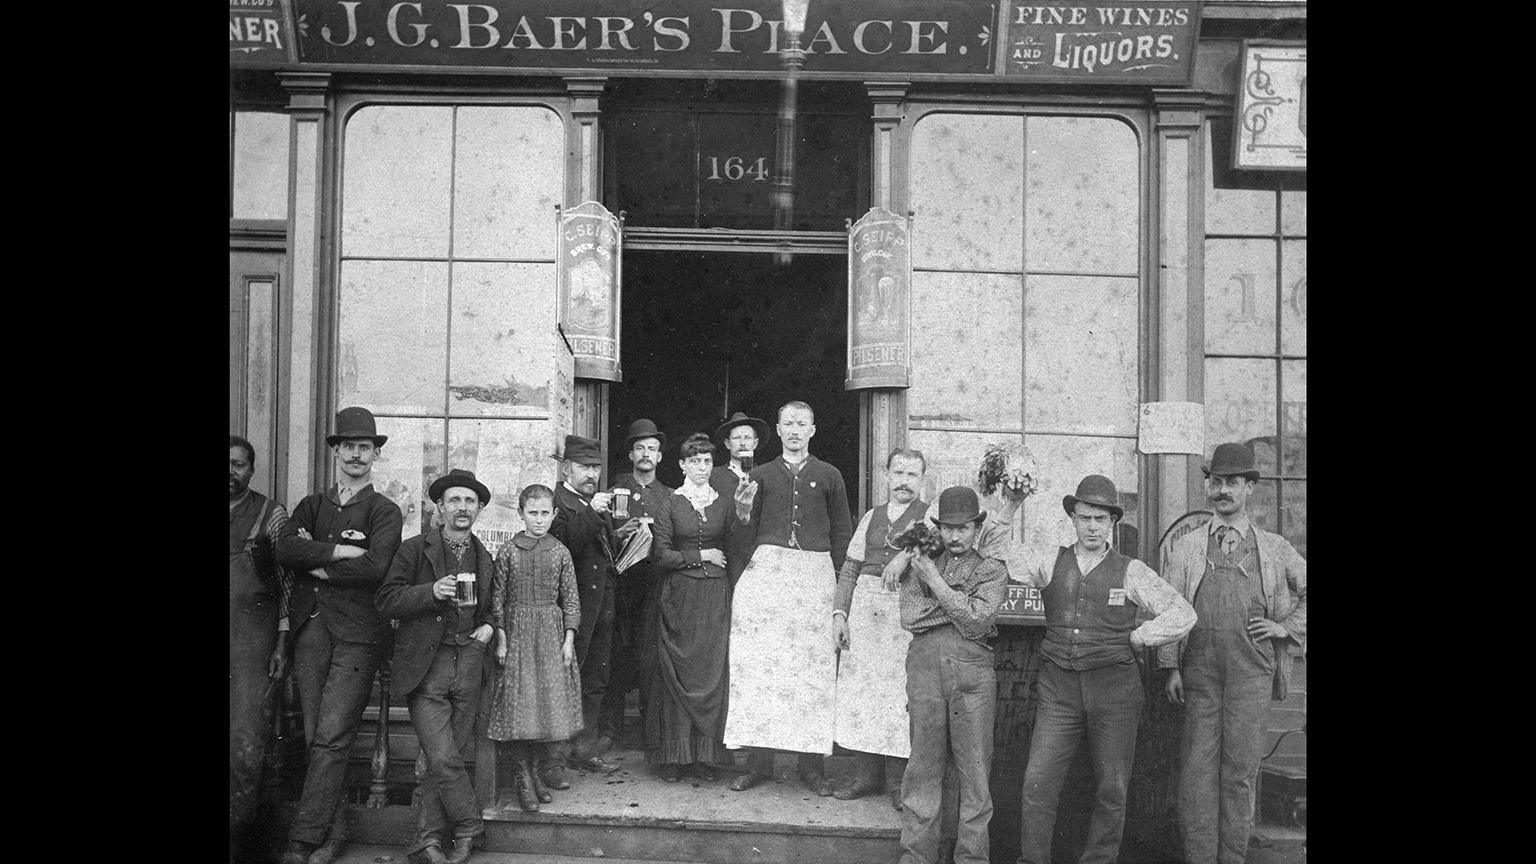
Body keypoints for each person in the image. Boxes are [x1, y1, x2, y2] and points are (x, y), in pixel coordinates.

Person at [983, 474, 1195, 864]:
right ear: (1073, 519)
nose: (1092, 527)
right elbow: (995, 549)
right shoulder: (1050, 560)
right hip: (1058, 690)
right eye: (1085, 518)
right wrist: (1010, 505)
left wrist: (1141, 637)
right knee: (1037, 782)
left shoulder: (1131, 570)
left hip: (1116, 692)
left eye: (1100, 519)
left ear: (1112, 522)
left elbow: (1183, 613)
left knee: (1112, 787)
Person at [1158, 442, 1307, 864]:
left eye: (1232, 483)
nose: (1222, 490)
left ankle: (1233, 859)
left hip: (1251, 673)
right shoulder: (1186, 547)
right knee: (1195, 775)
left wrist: (1285, 627)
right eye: (1216, 482)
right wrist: (1170, 666)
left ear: (1250, 489)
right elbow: (1171, 606)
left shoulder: (1274, 548)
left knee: (1240, 774)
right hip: (1199, 673)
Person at [282, 407, 405, 864]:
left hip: (357, 635)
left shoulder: (384, 510)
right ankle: (331, 832)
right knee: (318, 736)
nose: (356, 454)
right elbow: (286, 549)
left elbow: (377, 566)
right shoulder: (311, 506)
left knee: (332, 734)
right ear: (335, 451)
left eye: (365, 447)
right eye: (348, 446)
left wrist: (319, 569)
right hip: (312, 628)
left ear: (376, 455)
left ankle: (305, 839)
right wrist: (337, 550)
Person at [723, 400, 853, 795]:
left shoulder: (830, 475)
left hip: (813, 577)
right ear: (777, 430)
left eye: (802, 424)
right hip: (769, 576)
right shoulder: (760, 475)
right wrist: (743, 516)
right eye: (788, 424)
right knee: (764, 669)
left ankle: (810, 766)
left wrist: (840, 588)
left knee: (809, 671)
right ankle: (759, 763)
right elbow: (741, 536)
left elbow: (843, 534)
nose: (795, 430)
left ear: (813, 430)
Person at [374, 469, 497, 864]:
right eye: (455, 501)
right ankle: (468, 825)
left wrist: (488, 629)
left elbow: (493, 609)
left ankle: (426, 840)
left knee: (446, 758)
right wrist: (431, 591)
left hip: (469, 662)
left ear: (478, 509)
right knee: (442, 756)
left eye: (470, 502)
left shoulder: (485, 555)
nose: (462, 508)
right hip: (428, 665)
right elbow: (387, 599)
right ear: (440, 507)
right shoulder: (413, 550)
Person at [882, 486, 1009, 864]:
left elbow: (979, 619)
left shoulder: (991, 567)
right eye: (949, 528)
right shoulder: (919, 559)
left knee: (975, 775)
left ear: (977, 529)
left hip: (973, 677)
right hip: (923, 670)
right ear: (939, 528)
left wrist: (936, 583)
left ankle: (971, 859)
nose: (956, 536)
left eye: (965, 528)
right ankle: (916, 857)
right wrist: (959, 602)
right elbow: (910, 616)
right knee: (922, 769)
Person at [829, 447, 930, 809]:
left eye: (912, 475)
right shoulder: (872, 516)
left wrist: (907, 554)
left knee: (897, 696)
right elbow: (851, 568)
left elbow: (933, 550)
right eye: (898, 473)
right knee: (863, 694)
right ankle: (866, 776)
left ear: (922, 480)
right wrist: (840, 613)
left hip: (904, 615)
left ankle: (899, 783)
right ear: (886, 475)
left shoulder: (929, 516)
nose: (904, 481)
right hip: (866, 612)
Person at [645, 432, 744, 782]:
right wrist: (701, 555)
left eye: (706, 461)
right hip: (680, 596)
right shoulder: (670, 503)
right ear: (682, 465)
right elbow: (661, 555)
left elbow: (734, 547)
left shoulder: (724, 502)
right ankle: (676, 758)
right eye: (694, 461)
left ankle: (705, 757)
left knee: (711, 674)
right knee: (678, 673)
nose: (702, 468)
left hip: (715, 596)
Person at [547, 434, 641, 783]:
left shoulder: (588, 504)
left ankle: (584, 750)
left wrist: (622, 537)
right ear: (566, 468)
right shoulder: (557, 501)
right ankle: (555, 758)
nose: (591, 474)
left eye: (596, 468)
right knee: (566, 679)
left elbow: (596, 551)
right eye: (585, 467)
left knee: (595, 680)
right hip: (574, 609)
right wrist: (592, 511)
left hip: (602, 605)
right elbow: (565, 542)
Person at [486, 484, 584, 813]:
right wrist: (501, 637)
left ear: (554, 515)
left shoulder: (560, 552)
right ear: (521, 514)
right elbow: (496, 599)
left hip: (550, 634)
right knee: (520, 703)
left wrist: (568, 640)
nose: (539, 520)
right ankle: (522, 775)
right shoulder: (508, 551)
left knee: (543, 704)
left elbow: (570, 599)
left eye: (545, 513)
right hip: (516, 633)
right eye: (533, 513)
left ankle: (537, 773)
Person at [230, 434, 305, 862]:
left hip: (252, 642)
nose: (230, 471)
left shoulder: (270, 515)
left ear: (251, 470)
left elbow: (288, 586)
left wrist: (281, 641)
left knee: (247, 738)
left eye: (238, 464)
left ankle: (242, 838)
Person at [599, 419, 674, 750]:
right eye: (640, 448)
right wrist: (617, 533)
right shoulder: (615, 490)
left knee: (650, 657)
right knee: (614, 657)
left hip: (652, 585)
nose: (646, 454)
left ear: (660, 457)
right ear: (631, 454)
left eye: (652, 449)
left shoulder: (669, 496)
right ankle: (610, 731)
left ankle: (650, 731)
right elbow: (598, 538)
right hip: (618, 586)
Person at [708, 411, 767, 499]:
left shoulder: (766, 475)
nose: (742, 443)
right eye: (736, 438)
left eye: (747, 438)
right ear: (727, 443)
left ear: (755, 443)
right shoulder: (712, 476)